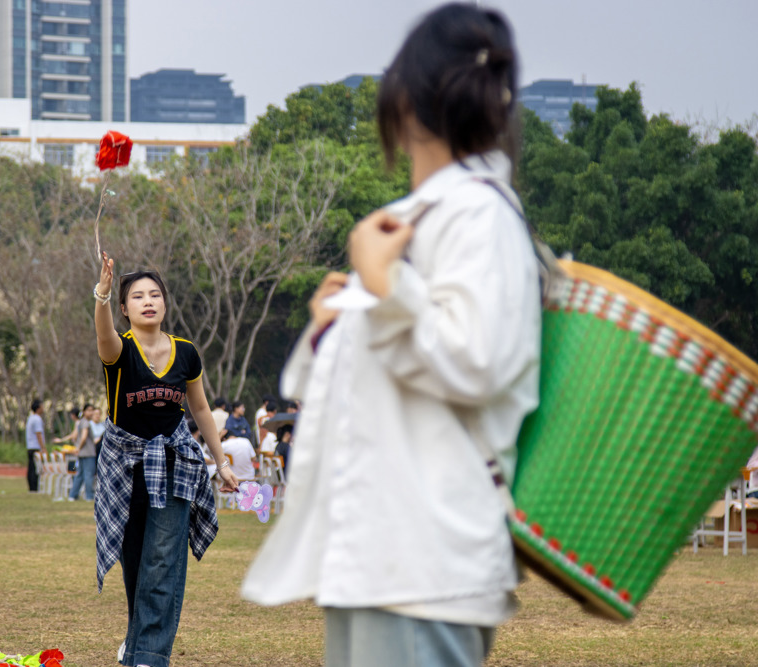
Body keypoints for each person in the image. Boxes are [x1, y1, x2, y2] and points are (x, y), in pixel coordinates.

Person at [241, 5, 541, 666]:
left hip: (422, 557)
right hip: (378, 552)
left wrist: (384, 289)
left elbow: (477, 361)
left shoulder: (478, 216)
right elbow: (326, 389)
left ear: (404, 101)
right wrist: (332, 325)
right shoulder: (420, 219)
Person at [93, 255, 240, 667]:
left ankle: (149, 656)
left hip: (174, 463)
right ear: (125, 309)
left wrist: (221, 461)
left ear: (165, 303)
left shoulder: (187, 353)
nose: (148, 302)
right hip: (124, 466)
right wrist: (102, 293)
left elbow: (202, 409)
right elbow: (102, 331)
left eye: (155, 294)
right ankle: (136, 640)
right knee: (137, 561)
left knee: (163, 560)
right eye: (137, 296)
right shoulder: (119, 350)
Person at [68, 404, 96, 502]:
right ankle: (89, 496)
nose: (91, 412)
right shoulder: (86, 423)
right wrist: (78, 448)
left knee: (79, 474)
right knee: (88, 474)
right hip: (88, 453)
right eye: (89, 410)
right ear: (83, 412)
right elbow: (84, 437)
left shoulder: (81, 422)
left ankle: (72, 495)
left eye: (92, 410)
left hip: (82, 453)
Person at [25, 398, 47, 493]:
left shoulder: (31, 418)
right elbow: (39, 434)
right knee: (35, 469)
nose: (43, 408)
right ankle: (34, 488)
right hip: (35, 447)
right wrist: (43, 448)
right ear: (38, 408)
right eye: (42, 406)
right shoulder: (37, 419)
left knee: (31, 468)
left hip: (30, 446)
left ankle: (31, 487)